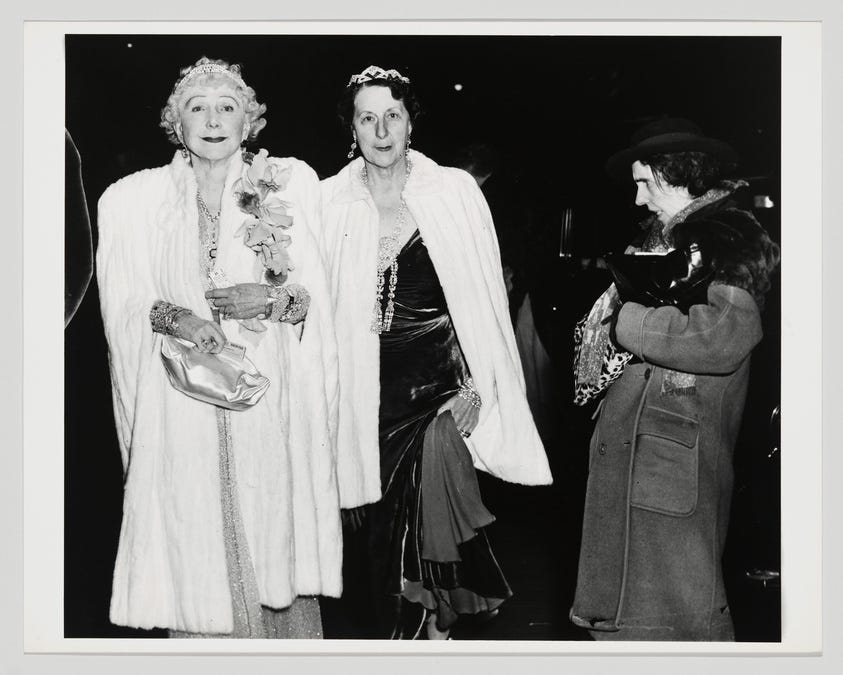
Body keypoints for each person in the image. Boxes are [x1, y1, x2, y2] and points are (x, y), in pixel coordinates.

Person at [96, 57, 342, 638]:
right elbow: (122, 303)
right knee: (194, 558)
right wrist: (174, 316)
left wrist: (272, 299)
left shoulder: (289, 184)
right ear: (174, 124)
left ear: (250, 120)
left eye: (227, 107)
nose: (212, 120)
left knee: (271, 545)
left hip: (265, 408)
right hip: (179, 410)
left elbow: (318, 303)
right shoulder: (134, 201)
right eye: (196, 108)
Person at [320, 65, 552, 639]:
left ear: (410, 122)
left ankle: (426, 648)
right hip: (360, 403)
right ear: (351, 127)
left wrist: (478, 389)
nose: (380, 130)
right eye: (367, 117)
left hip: (436, 399)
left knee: (423, 549)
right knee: (372, 546)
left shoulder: (453, 192)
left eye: (392, 115)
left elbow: (486, 304)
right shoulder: (324, 202)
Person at [569, 117, 781, 641]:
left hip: (674, 458)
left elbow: (726, 335)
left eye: (646, 182)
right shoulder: (666, 238)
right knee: (633, 618)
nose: (638, 199)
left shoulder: (730, 238)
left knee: (679, 619)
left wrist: (628, 322)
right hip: (642, 452)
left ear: (678, 172)